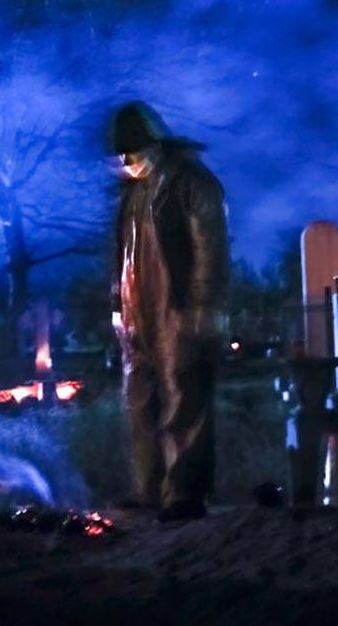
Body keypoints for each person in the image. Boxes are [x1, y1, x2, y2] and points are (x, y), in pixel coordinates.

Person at [110, 101, 230, 521]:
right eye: (122, 154)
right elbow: (122, 254)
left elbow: (209, 248)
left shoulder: (192, 184)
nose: (127, 161)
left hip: (176, 308)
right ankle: (149, 487)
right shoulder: (134, 193)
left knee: (185, 395)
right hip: (136, 311)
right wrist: (117, 306)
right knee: (140, 398)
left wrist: (200, 305)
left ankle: (185, 492)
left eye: (134, 151)